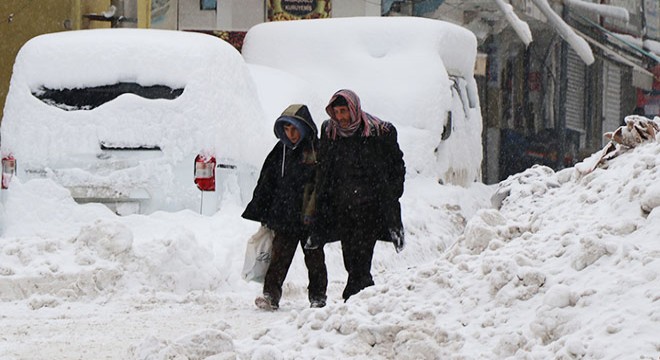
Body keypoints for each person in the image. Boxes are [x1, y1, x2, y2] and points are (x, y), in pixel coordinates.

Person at [307, 89, 405, 301]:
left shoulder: (379, 131)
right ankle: (364, 290)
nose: (341, 117)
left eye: (344, 111)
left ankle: (354, 294)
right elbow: (324, 168)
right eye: (337, 112)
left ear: (354, 109)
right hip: (342, 206)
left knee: (362, 253)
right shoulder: (330, 132)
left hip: (371, 206)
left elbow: (396, 165)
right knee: (350, 255)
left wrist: (392, 192)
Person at [242, 104, 328, 310]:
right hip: (285, 216)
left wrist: (325, 213)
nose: (291, 134)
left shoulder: (318, 150)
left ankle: (318, 297)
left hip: (311, 217)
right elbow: (267, 181)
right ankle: (270, 296)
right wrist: (264, 210)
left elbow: (327, 184)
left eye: (295, 129)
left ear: (305, 127)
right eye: (287, 129)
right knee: (279, 258)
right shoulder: (280, 151)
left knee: (315, 259)